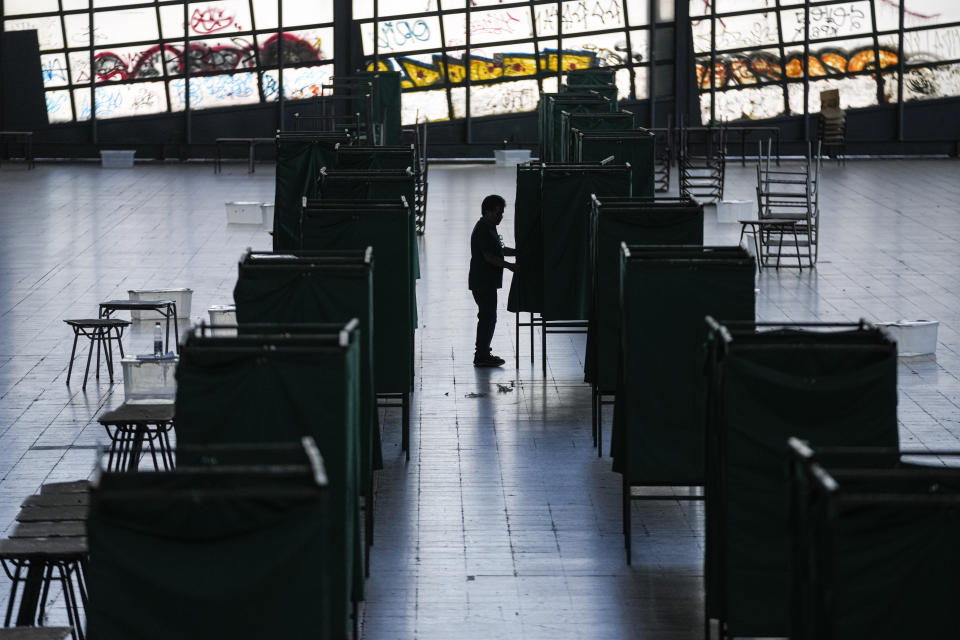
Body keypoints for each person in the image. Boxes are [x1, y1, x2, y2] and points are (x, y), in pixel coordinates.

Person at [469, 194, 516, 367]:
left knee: (488, 316)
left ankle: (483, 352)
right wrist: (510, 266)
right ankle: (481, 354)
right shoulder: (483, 230)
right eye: (497, 213)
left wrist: (518, 252)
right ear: (487, 212)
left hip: (486, 281)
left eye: (502, 213)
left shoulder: (489, 227)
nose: (500, 217)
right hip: (482, 281)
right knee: (487, 317)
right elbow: (489, 257)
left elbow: (499, 249)